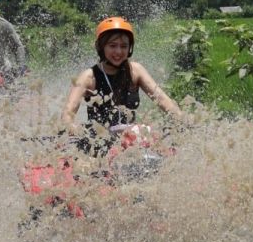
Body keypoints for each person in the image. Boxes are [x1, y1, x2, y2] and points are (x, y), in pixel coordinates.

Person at [61, 16, 182, 153]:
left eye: (124, 46)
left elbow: (163, 101)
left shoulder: (136, 71)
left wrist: (181, 120)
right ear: (101, 46)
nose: (118, 52)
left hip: (129, 143)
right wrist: (72, 129)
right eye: (112, 46)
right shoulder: (88, 77)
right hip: (98, 145)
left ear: (130, 48)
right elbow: (68, 113)